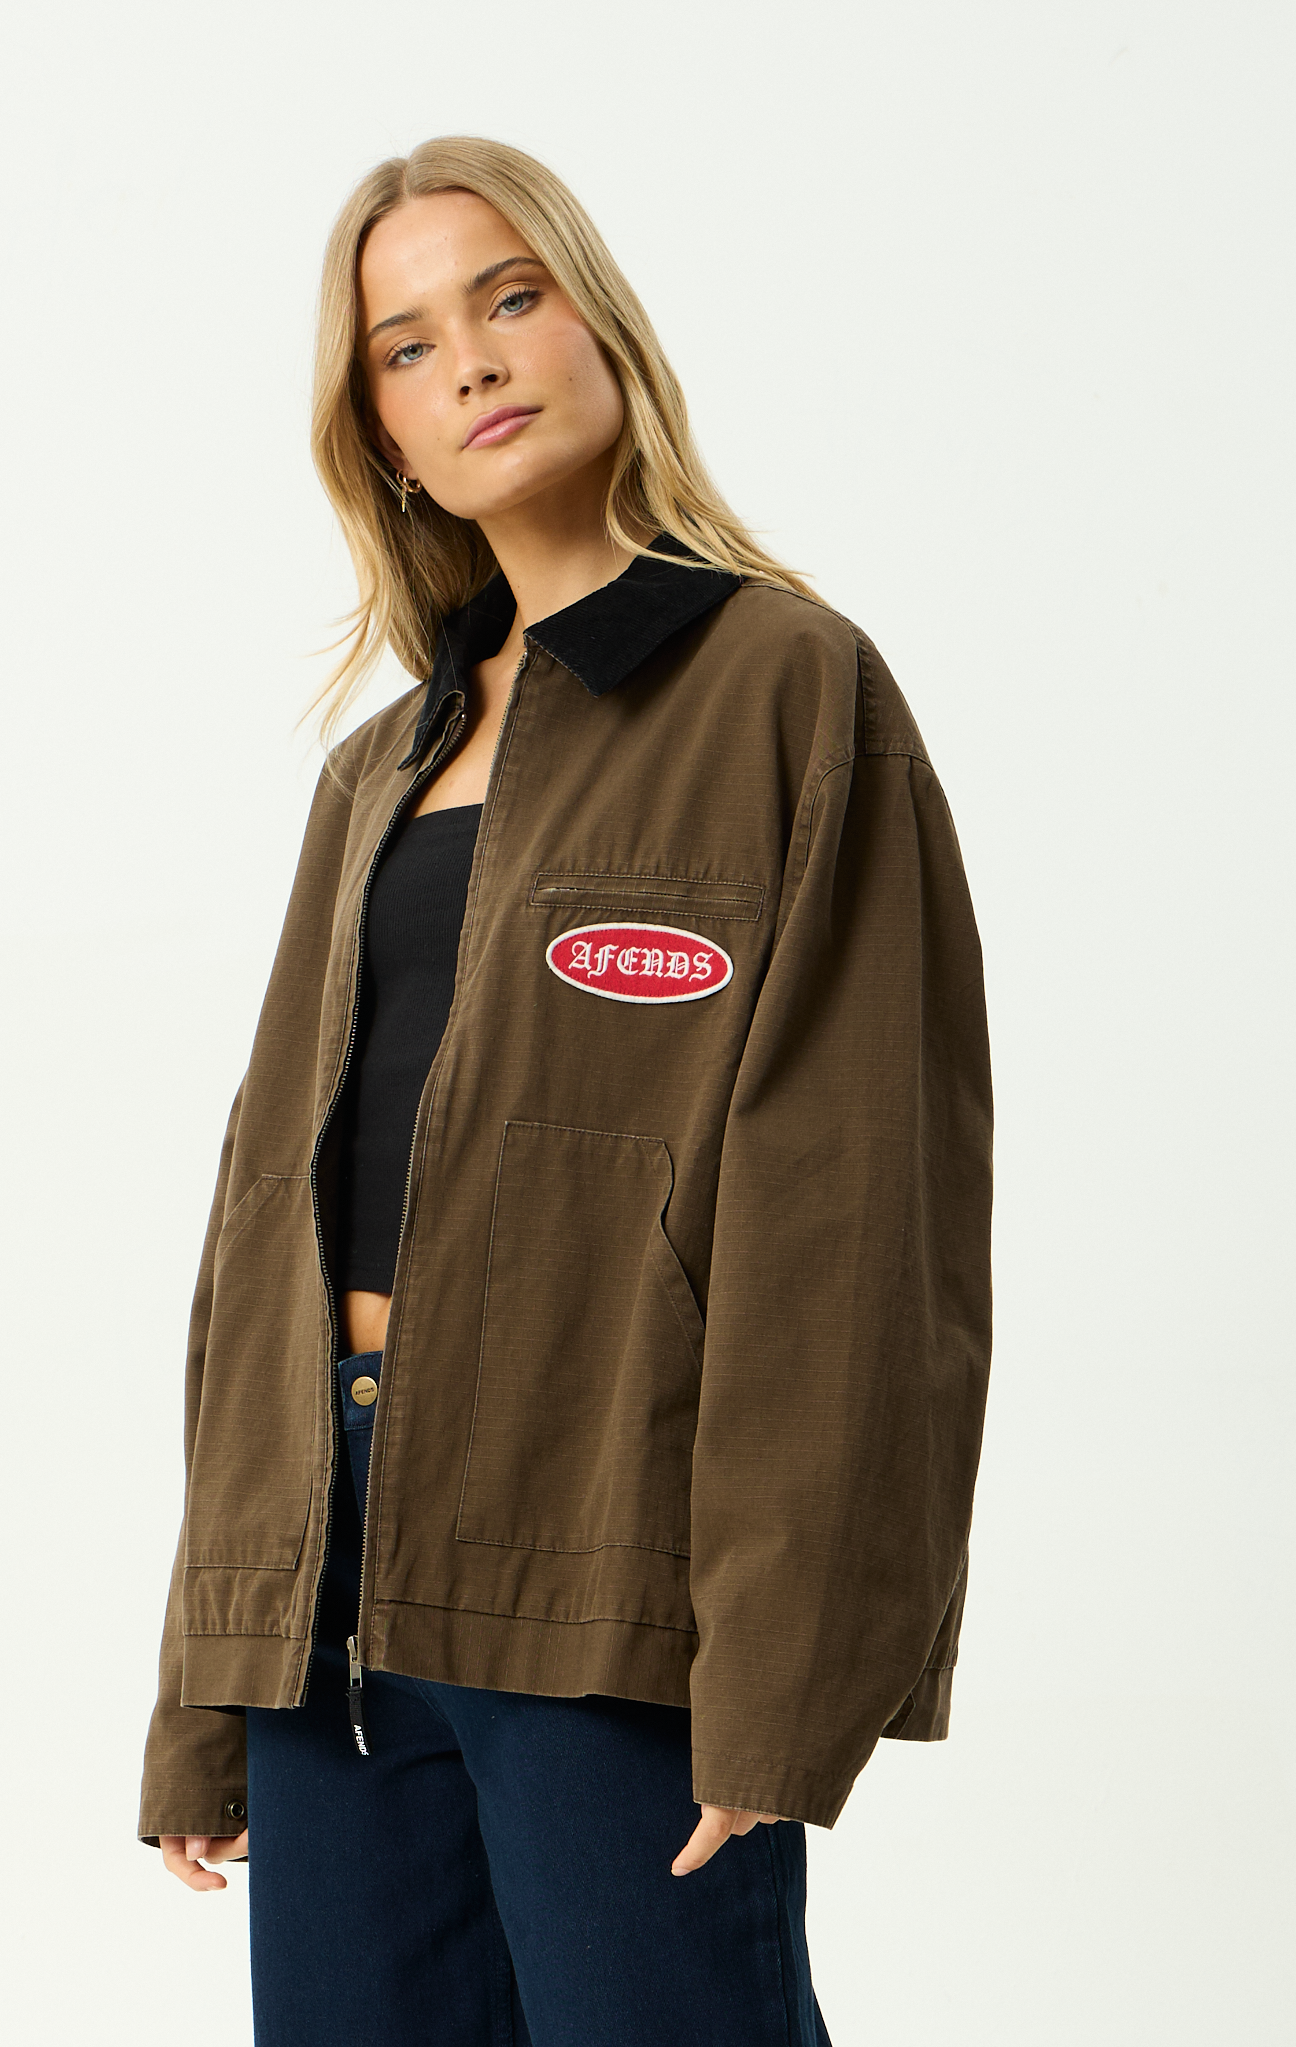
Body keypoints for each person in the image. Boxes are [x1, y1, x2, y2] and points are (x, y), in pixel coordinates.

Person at [137, 135, 994, 2047]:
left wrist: (787, 1665)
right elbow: (261, 1218)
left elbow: (857, 1215)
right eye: (404, 345)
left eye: (509, 296)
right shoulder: (375, 769)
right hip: (330, 1574)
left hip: (604, 1545)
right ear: (379, 433)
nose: (471, 359)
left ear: (598, 322)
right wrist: (211, 1667)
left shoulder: (784, 687)